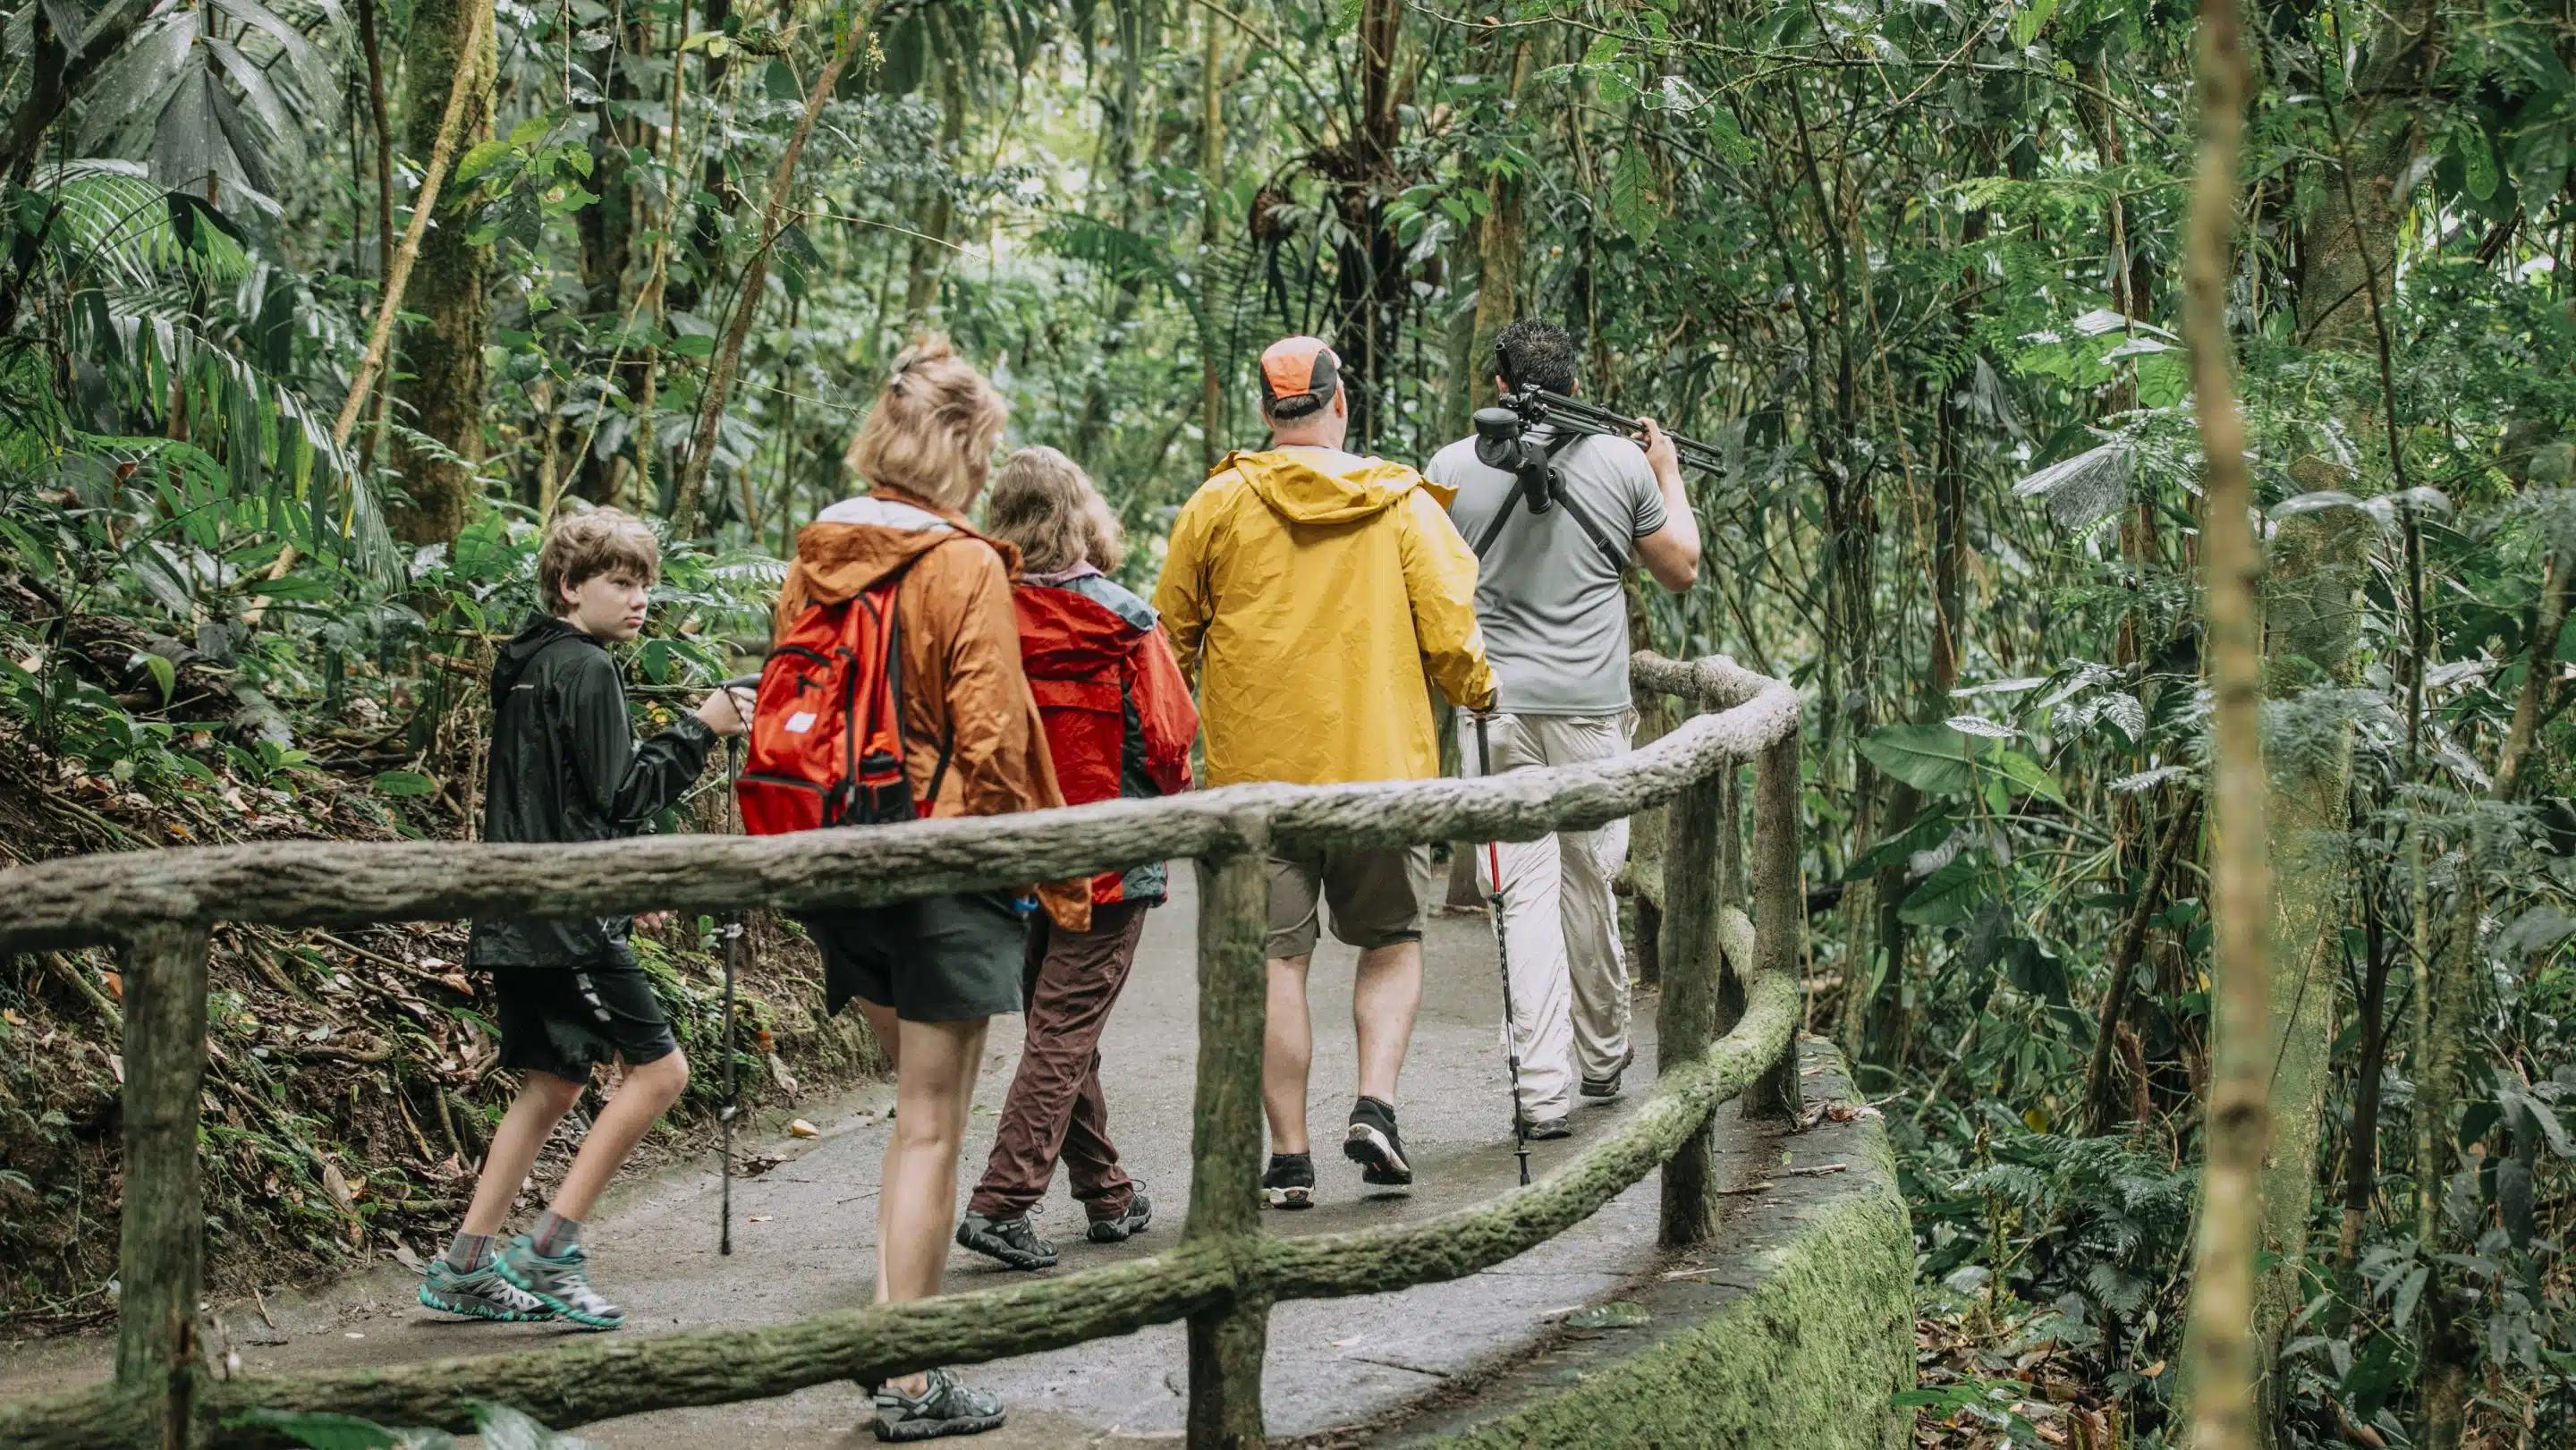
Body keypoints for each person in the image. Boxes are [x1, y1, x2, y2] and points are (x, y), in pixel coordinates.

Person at [774, 336, 1080, 1443]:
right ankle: (908, 1373)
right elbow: (995, 736)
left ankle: (892, 1334)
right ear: (959, 446)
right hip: (940, 859)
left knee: (910, 1105)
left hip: (833, 853)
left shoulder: (820, 546)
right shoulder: (963, 563)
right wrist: (1038, 865)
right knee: (932, 1121)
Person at [1154, 335, 1496, 1208]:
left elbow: (1168, 639)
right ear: (1339, 404)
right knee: (1390, 941)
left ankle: (1291, 1157)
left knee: (1278, 963)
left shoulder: (1218, 503)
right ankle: (1376, 1106)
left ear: (1268, 411)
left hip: (1257, 788)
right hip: (1381, 775)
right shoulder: (1402, 502)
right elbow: (1453, 630)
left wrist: (1167, 749)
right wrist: (1477, 690)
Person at [421, 507, 750, 1331]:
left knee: (555, 1082)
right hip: (566, 921)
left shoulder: (528, 663)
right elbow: (624, 793)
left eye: (645, 583)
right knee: (662, 1072)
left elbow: (565, 799)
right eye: (621, 583)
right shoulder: (586, 667)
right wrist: (700, 727)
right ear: (571, 587)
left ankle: (465, 1262)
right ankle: (550, 1250)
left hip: (523, 910)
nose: (641, 599)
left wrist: (616, 867)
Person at [1426, 318, 1701, 1138]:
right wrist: (1668, 470)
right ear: (1575, 383)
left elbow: (1432, 590)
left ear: (1500, 389)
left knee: (1526, 897)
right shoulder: (1622, 460)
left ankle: (1541, 1093)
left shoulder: (1448, 467)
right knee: (1589, 878)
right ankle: (1606, 1052)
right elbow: (1680, 567)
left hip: (1494, 709)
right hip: (1589, 712)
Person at [953, 446, 1198, 1271]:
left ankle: (1108, 1193)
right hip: (1108, 854)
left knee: (1061, 1027)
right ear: (1082, 515)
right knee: (1063, 1028)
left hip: (1011, 851)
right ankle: (1001, 1201)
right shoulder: (1127, 620)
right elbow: (1169, 743)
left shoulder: (980, 617)